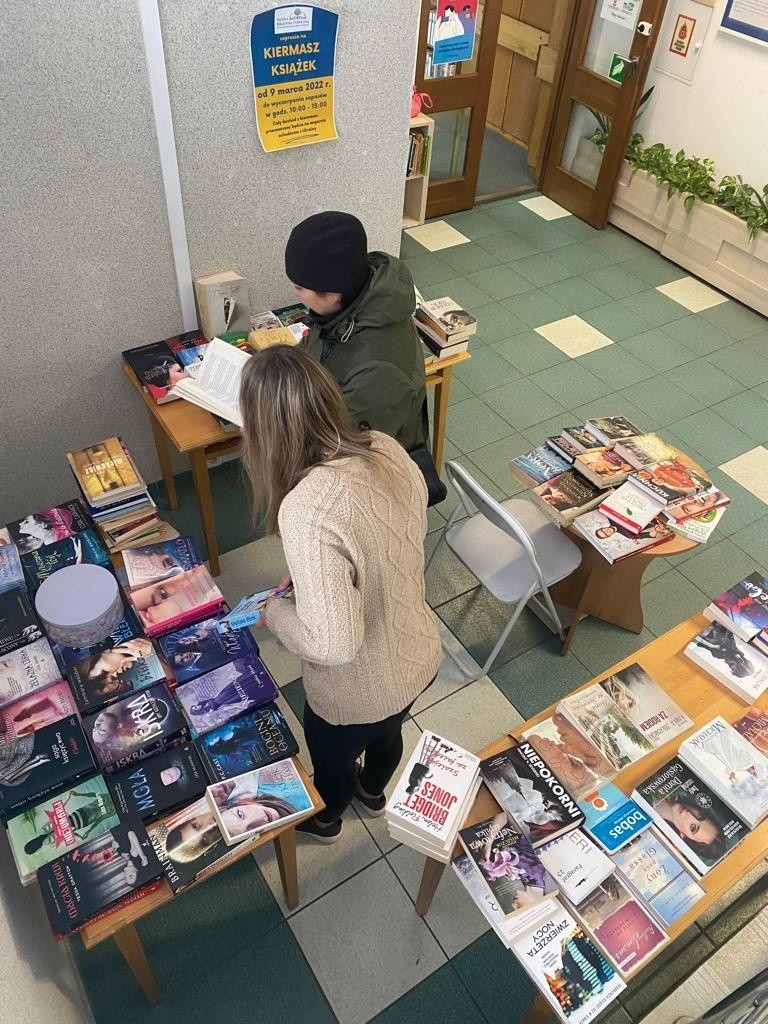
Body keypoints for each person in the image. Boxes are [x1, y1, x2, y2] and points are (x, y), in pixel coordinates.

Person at [239, 345, 441, 843]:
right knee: (390, 734)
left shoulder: (307, 506)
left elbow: (333, 646)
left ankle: (327, 819)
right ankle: (373, 793)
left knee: (331, 759)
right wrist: (312, 574)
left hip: (355, 689)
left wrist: (275, 612)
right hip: (416, 651)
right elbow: (387, 536)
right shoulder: (384, 446)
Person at [284, 210, 428, 452]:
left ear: (331, 294)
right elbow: (315, 347)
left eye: (300, 288)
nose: (295, 293)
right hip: (327, 412)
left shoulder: (378, 373)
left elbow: (340, 447)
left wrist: (269, 428)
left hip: (371, 469)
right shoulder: (346, 307)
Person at [656, 790, 726, 863]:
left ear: (683, 836)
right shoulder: (680, 789)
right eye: (700, 815)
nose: (689, 814)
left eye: (693, 828)